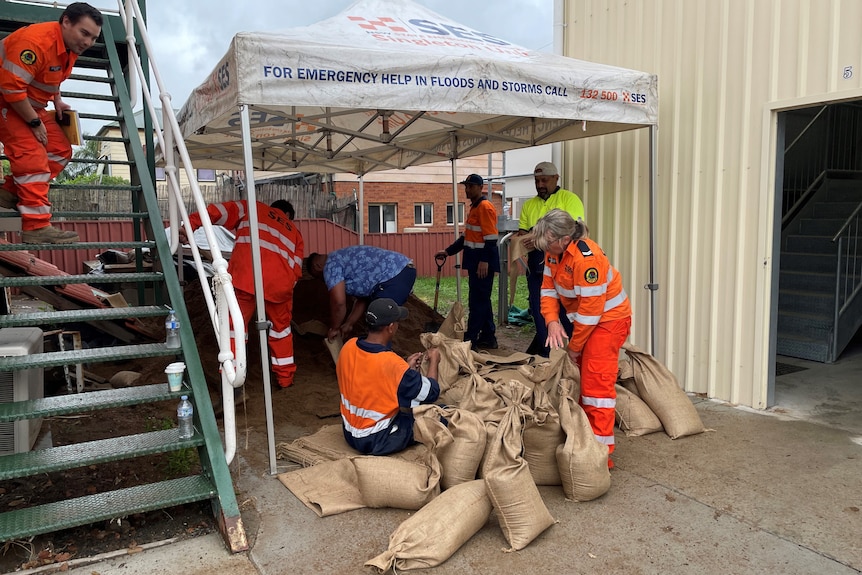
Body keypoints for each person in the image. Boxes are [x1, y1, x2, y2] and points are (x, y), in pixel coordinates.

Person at [532, 208, 631, 468]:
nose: (545, 250)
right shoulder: (554, 252)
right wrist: (552, 321)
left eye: (548, 243)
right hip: (590, 322)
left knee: (597, 386)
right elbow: (547, 289)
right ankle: (584, 436)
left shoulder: (587, 259)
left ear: (564, 240)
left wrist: (574, 348)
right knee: (584, 380)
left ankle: (600, 455)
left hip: (609, 321)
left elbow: (591, 311)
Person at [0, 3, 103, 244]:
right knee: (33, 158)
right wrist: (35, 122)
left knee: (60, 149)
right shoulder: (36, 42)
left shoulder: (68, 46)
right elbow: (10, 89)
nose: (88, 42)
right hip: (7, 102)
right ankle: (35, 227)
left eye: (94, 38)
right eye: (84, 33)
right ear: (66, 21)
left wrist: (57, 101)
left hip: (28, 104)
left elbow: (52, 76)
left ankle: (9, 193)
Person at [184, 199, 304, 388]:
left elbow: (218, 211)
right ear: (288, 216)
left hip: (247, 276)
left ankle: (232, 380)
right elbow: (297, 269)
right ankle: (285, 379)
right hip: (279, 285)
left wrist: (189, 225)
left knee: (234, 327)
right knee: (281, 331)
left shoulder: (254, 208)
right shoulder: (295, 232)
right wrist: (285, 289)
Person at [336, 298, 441, 455]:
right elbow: (431, 393)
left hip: (350, 432)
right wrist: (434, 361)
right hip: (376, 439)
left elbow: (370, 380)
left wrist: (405, 369)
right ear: (391, 327)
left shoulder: (348, 346)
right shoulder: (392, 364)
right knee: (440, 416)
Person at [517, 161, 585, 357]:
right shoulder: (529, 205)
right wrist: (523, 238)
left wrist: (536, 237)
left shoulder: (570, 199)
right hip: (536, 266)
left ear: (556, 178)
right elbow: (522, 233)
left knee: (565, 312)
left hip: (564, 265)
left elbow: (572, 232)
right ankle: (548, 356)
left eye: (544, 180)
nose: (540, 185)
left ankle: (573, 355)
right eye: (537, 181)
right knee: (540, 312)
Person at [436, 173, 500, 349]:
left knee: (477, 302)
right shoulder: (475, 207)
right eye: (466, 186)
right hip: (476, 262)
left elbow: (492, 238)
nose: (467, 189)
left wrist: (484, 261)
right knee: (483, 300)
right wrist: (448, 252)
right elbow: (467, 238)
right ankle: (488, 337)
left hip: (482, 263)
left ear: (481, 188)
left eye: (471, 186)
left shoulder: (485, 207)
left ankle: (470, 340)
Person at [306, 246, 416, 341]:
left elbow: (338, 303)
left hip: (393, 276)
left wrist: (334, 328)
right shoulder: (341, 260)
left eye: (319, 278)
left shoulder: (330, 265)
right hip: (401, 272)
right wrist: (349, 323)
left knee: (380, 323)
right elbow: (363, 299)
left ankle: (380, 357)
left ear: (317, 266)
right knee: (379, 320)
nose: (324, 281)